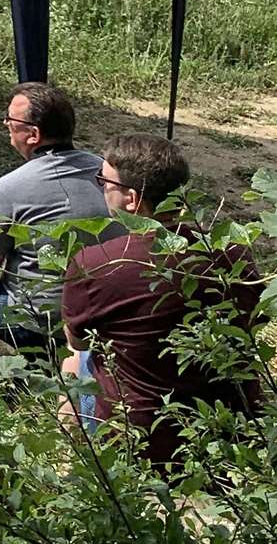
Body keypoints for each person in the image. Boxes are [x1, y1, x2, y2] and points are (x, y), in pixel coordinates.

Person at [61, 135, 263, 467]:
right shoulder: (233, 252)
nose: (101, 188)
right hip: (233, 426)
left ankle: (80, 461)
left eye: (103, 181)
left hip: (147, 438)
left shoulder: (95, 264)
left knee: (77, 359)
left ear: (131, 199)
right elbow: (252, 323)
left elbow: (78, 340)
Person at [0, 82, 116, 350]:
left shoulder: (10, 187)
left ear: (33, 134)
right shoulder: (105, 171)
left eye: (10, 120)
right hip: (102, 317)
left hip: (37, 323)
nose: (6, 125)